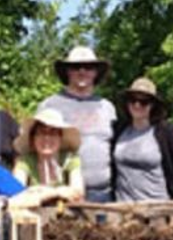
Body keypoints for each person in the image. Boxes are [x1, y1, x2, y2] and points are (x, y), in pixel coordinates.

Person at [38, 46, 116, 202]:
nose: (82, 71)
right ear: (67, 71)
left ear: (95, 72)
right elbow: (35, 147)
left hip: (103, 193)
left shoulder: (107, 107)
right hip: (62, 193)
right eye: (75, 67)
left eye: (88, 67)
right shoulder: (50, 105)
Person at [111, 77, 173, 202]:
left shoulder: (165, 133)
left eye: (144, 101)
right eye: (132, 100)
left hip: (158, 209)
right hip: (123, 209)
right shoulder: (118, 131)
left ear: (153, 105)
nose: (137, 105)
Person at [11, 108, 84, 201]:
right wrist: (56, 192)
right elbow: (16, 194)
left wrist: (36, 191)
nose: (47, 138)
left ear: (60, 138)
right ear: (32, 139)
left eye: (53, 133)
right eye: (41, 133)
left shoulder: (70, 159)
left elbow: (78, 192)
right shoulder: (25, 161)